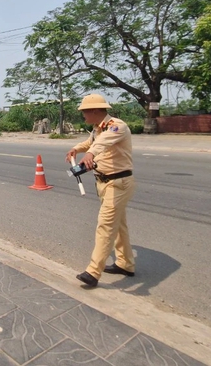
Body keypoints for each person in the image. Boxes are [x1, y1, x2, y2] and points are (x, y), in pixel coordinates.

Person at [65, 94, 136, 288]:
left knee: (105, 226)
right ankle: (126, 263)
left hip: (118, 183)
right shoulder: (98, 128)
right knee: (119, 226)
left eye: (85, 111)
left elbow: (99, 144)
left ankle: (93, 272)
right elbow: (91, 141)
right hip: (105, 183)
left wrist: (90, 153)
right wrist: (76, 149)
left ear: (96, 110)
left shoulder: (116, 126)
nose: (83, 115)